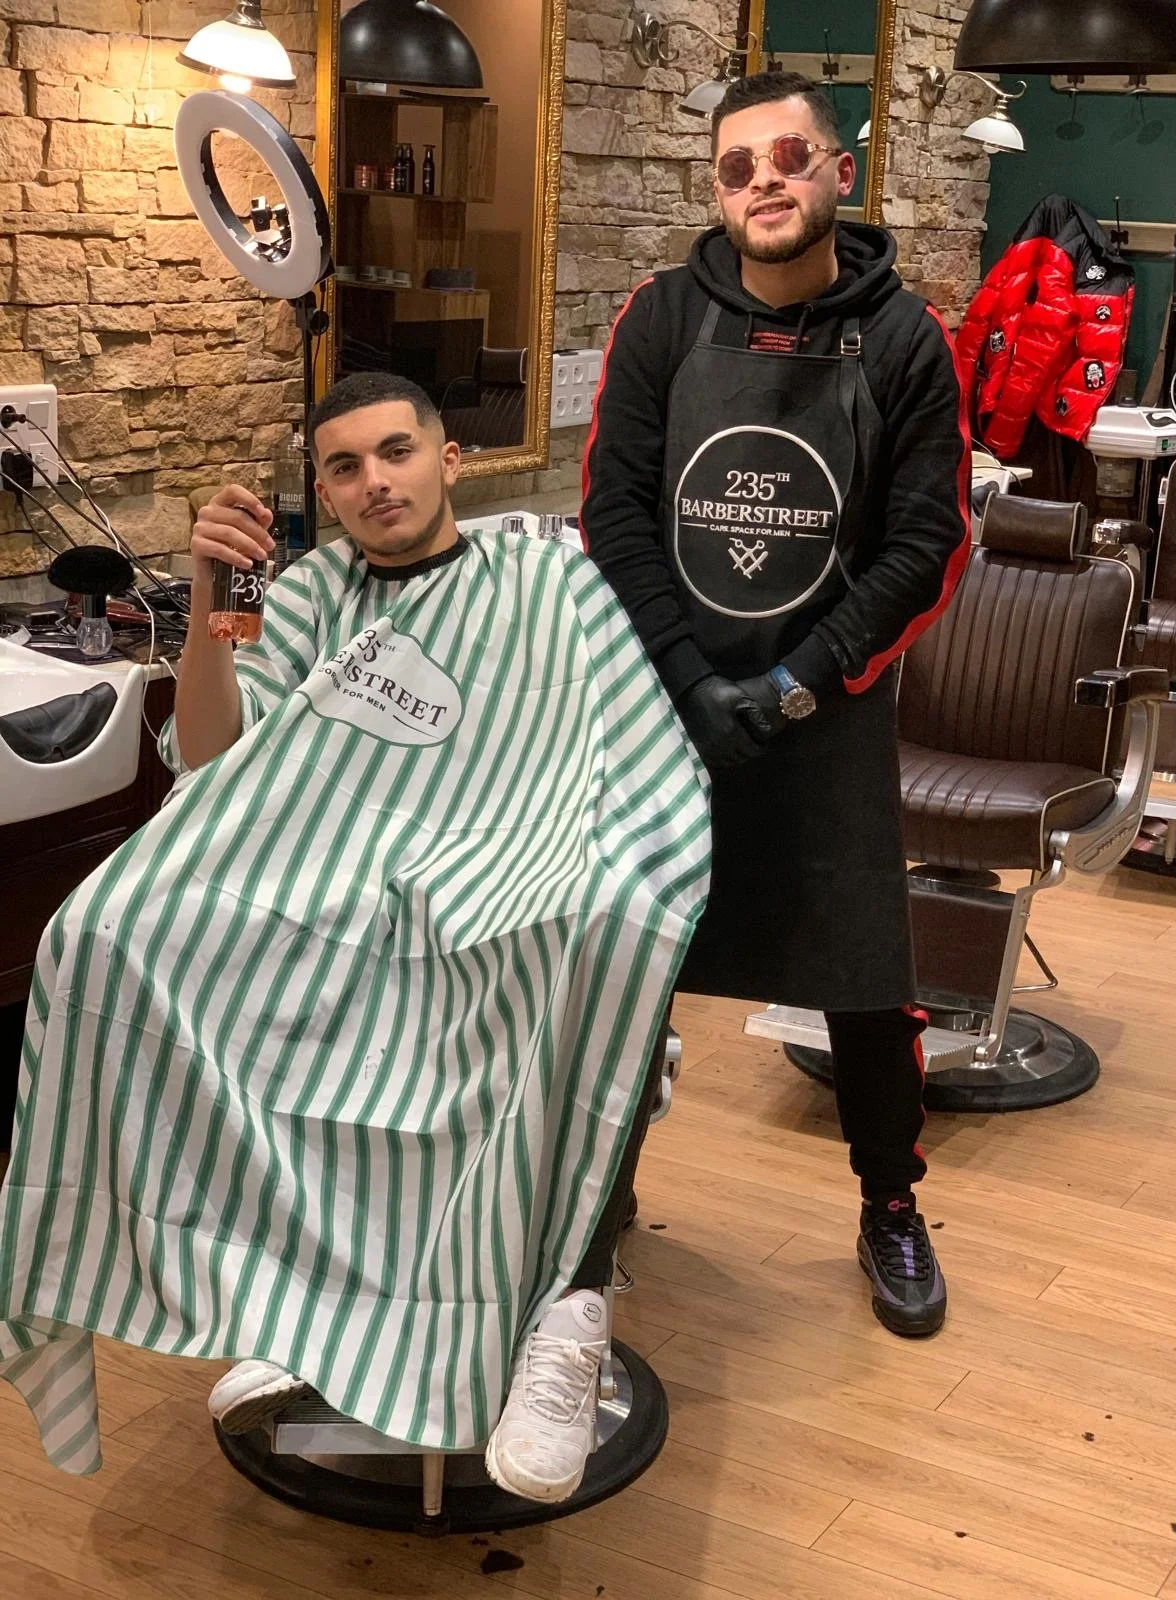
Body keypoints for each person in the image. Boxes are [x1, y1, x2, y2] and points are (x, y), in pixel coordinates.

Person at [0, 373, 709, 1504]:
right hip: (333, 887)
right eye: (343, 467)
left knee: (596, 933)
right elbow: (211, 761)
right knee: (101, 932)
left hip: (510, 876)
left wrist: (580, 864)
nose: (374, 482)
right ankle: (300, 1301)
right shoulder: (310, 596)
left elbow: (625, 751)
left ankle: (561, 1311)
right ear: (323, 492)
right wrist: (210, 595)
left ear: (448, 460)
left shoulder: (542, 577)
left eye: (395, 452)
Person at [581, 71, 971, 1337]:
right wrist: (693, 679)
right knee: (622, 968)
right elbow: (615, 515)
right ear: (717, 187)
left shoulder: (905, 338)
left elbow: (927, 544)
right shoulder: (661, 321)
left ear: (837, 174)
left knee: (865, 977)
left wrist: (801, 681)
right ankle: (589, 1205)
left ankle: (890, 1207)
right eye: (738, 164)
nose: (765, 181)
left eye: (790, 156)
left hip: (830, 711)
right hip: (665, 713)